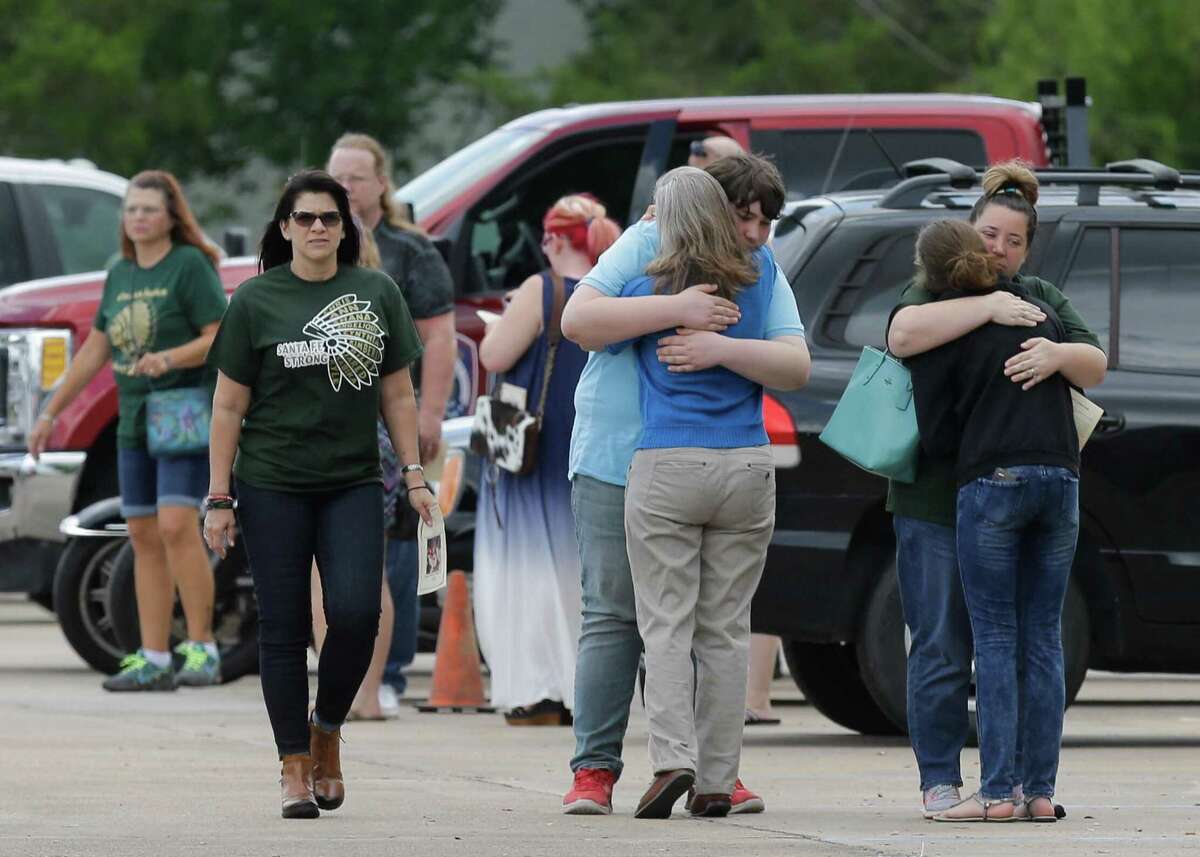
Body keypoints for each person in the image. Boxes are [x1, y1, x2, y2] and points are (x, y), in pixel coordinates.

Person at [559, 152, 809, 817]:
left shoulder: (702, 266)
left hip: (669, 463)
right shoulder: (703, 260)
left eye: (764, 220)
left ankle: (682, 761)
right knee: (690, 623)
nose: (756, 231)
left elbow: (793, 359)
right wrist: (691, 317)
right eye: (744, 216)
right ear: (710, 209)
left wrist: (705, 336)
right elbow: (580, 323)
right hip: (692, 462)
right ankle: (674, 774)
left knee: (669, 621)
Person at [203, 170, 437, 819]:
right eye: (304, 218)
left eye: (328, 219)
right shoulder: (255, 300)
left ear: (346, 227)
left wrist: (415, 474)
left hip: (352, 479)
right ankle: (294, 767)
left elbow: (397, 392)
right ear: (284, 227)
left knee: (358, 611)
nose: (316, 228)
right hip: (271, 481)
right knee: (281, 627)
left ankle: (327, 726)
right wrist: (218, 496)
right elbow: (227, 404)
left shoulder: (375, 291)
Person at [886, 162, 1106, 819]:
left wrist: (1056, 354)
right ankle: (944, 781)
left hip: (990, 483)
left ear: (1028, 247)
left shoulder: (1040, 294)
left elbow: (1093, 358)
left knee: (1011, 640)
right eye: (988, 234)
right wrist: (986, 305)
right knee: (942, 644)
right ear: (967, 232)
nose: (999, 249)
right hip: (933, 499)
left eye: (1013, 240)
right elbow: (900, 335)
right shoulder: (933, 287)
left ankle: (1012, 789)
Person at [29, 170, 227, 692]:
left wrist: (169, 358)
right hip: (133, 420)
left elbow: (219, 335)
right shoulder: (120, 272)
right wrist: (50, 413)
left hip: (180, 413)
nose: (138, 218)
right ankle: (154, 655)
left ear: (171, 216)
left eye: (149, 209)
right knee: (139, 533)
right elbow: (96, 348)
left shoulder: (189, 266)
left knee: (177, 526)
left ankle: (203, 647)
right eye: (132, 209)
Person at [472, 195, 620, 725]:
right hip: (590, 441)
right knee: (588, 577)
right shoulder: (616, 289)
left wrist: (503, 319)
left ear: (554, 239)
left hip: (533, 445)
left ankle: (538, 688)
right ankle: (585, 691)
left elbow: (494, 356)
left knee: (528, 568)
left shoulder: (542, 288)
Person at [327, 133, 456, 714]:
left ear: (382, 183)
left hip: (393, 415)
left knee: (395, 552)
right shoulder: (316, 240)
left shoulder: (410, 250)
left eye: (357, 178)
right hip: (330, 420)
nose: (347, 188)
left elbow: (439, 335)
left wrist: (429, 413)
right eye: (338, 177)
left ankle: (391, 674)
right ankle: (340, 675)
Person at [308, 224, 399, 722]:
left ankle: (347, 692)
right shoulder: (378, 297)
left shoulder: (348, 304)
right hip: (375, 444)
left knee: (334, 577)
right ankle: (362, 691)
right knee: (368, 575)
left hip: (356, 449)